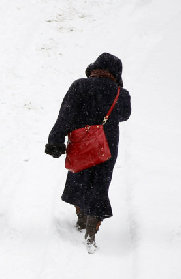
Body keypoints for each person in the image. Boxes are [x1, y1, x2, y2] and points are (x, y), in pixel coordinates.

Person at [45, 53, 131, 252]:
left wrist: (55, 140)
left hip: (81, 145)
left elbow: (65, 115)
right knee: (100, 185)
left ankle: (81, 219)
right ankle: (91, 231)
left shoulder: (80, 86)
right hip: (106, 148)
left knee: (79, 180)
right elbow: (125, 115)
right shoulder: (121, 94)